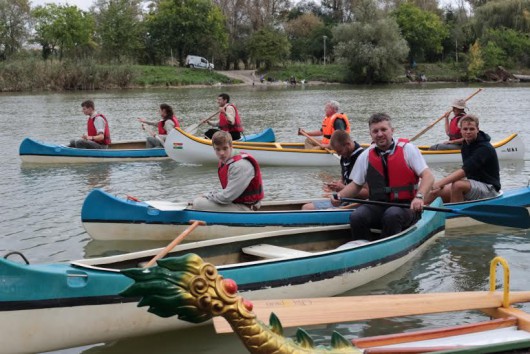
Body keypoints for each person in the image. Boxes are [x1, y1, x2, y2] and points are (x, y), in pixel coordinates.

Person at [331, 113, 434, 241]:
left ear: (392, 131)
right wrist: (340, 196)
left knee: (392, 215)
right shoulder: (366, 155)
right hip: (378, 205)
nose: (379, 134)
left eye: (383, 129)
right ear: (371, 135)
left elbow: (428, 176)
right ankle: (361, 246)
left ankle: (387, 249)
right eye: (375, 131)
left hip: (406, 206)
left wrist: (419, 197)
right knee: (357, 216)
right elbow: (356, 185)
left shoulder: (408, 149)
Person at [428, 114, 500, 203]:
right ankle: (417, 214)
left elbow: (465, 171)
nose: (468, 132)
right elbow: (467, 172)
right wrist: (440, 185)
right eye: (465, 129)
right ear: (461, 131)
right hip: (473, 184)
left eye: (472, 129)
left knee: (458, 185)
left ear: (477, 129)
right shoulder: (465, 145)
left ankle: (455, 215)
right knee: (434, 192)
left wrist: (441, 183)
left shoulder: (484, 148)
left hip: (490, 189)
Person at [191, 131, 264, 211]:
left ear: (231, 146)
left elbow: (227, 197)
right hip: (237, 203)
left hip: (247, 208)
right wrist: (208, 196)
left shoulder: (240, 165)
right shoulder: (226, 161)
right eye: (217, 149)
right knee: (201, 200)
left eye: (225, 148)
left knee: (198, 203)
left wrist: (207, 196)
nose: (221, 153)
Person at [302, 130, 368, 210]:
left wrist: (342, 188)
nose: (339, 154)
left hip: (359, 204)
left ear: (348, 145)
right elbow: (344, 180)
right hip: (345, 199)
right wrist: (335, 186)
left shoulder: (363, 158)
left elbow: (367, 193)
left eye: (339, 151)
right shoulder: (345, 156)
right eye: (337, 152)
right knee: (306, 206)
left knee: (307, 208)